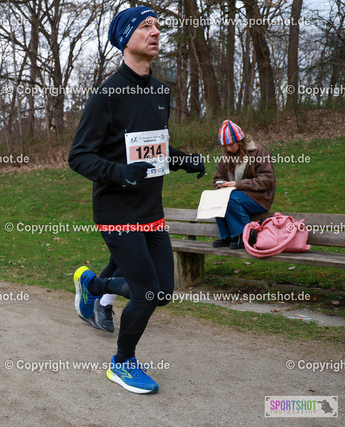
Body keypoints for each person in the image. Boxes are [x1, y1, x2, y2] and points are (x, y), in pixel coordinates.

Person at [68, 7, 205, 394]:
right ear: (124, 38)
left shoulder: (161, 91)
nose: (156, 32)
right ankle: (122, 363)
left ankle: (93, 285)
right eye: (146, 26)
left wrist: (183, 160)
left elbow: (154, 147)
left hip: (150, 210)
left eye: (158, 26)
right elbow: (79, 156)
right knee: (145, 292)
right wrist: (119, 173)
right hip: (116, 211)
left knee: (162, 293)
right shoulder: (107, 95)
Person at [212, 120, 276, 249]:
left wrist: (238, 184)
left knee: (231, 198)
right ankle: (227, 236)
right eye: (225, 146)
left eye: (231, 145)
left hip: (260, 198)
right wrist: (220, 185)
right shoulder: (226, 157)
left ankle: (245, 235)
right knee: (216, 198)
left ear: (240, 142)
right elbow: (217, 178)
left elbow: (266, 180)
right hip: (236, 196)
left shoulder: (259, 153)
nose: (228, 149)